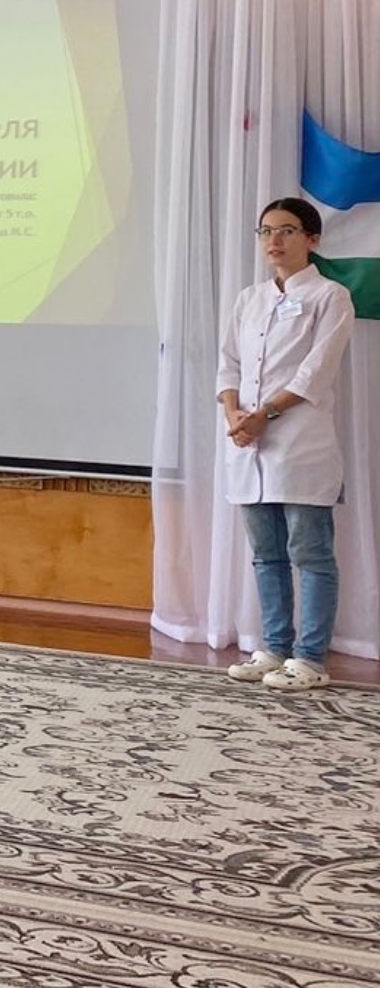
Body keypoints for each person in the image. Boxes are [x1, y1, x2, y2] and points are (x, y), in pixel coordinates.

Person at [218, 196, 354, 693]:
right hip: (247, 445)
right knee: (266, 555)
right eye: (265, 231)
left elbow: (314, 372)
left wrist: (264, 415)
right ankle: (274, 648)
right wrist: (233, 413)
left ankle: (310, 657)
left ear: (312, 239)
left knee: (310, 553)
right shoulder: (248, 299)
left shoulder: (330, 296)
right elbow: (228, 364)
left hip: (300, 445)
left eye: (287, 230)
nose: (273, 240)